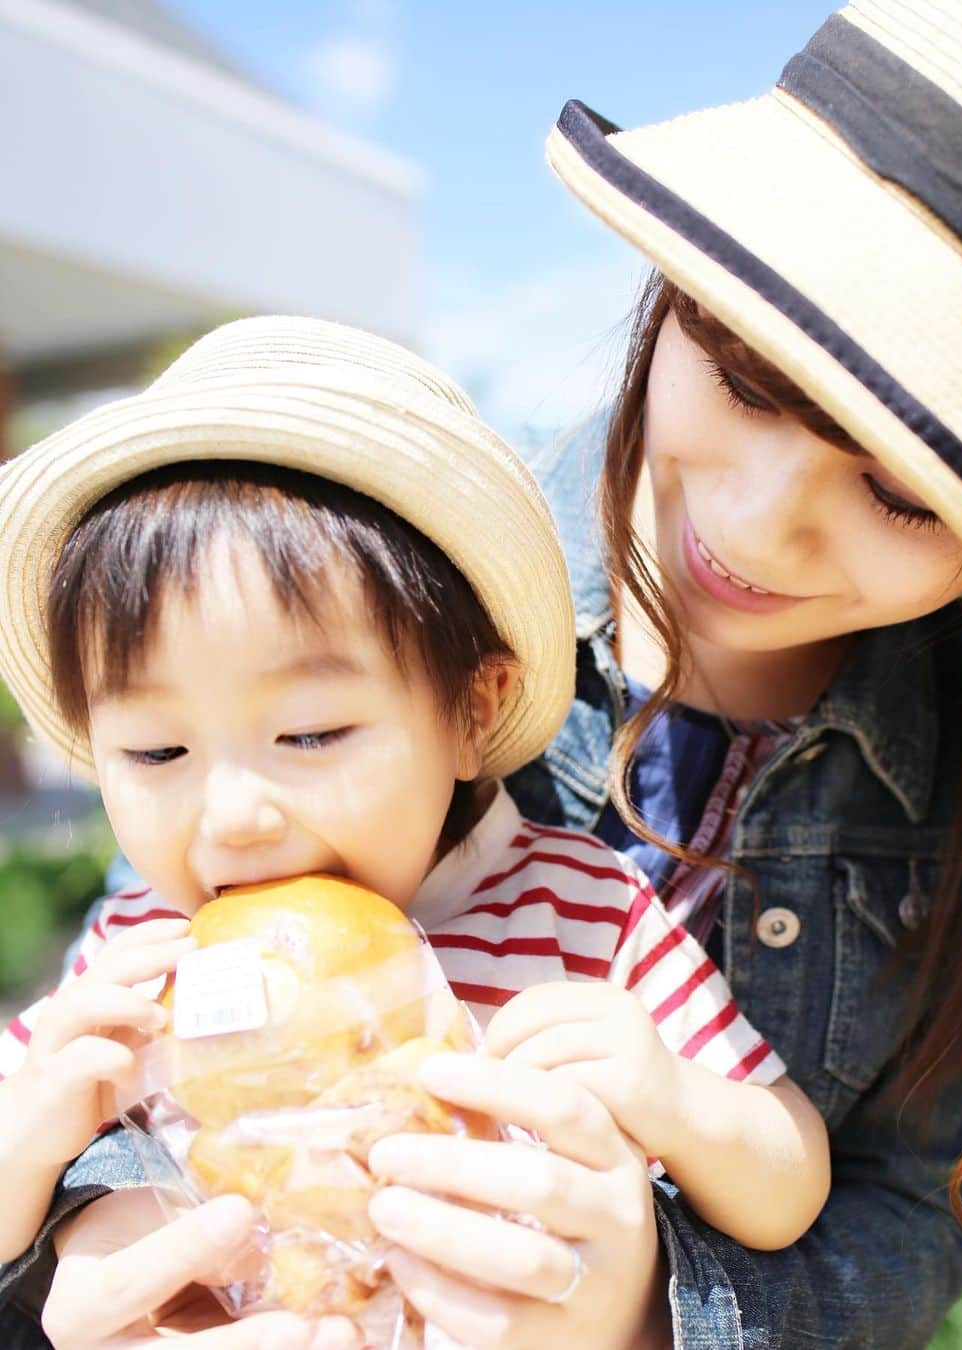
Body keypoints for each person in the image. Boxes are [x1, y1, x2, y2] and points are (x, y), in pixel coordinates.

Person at [1, 0, 962, 1346]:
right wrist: (79, 1260)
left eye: (906, 495)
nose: (752, 524)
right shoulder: (344, 598)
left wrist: (642, 1307)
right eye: (746, 376)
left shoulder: (950, 773)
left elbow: (890, 1212)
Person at [0, 318, 828, 1345]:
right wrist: (28, 1138)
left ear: (473, 714)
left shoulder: (580, 913)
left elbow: (789, 1180)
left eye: (309, 733)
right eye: (156, 753)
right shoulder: (139, 957)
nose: (233, 815)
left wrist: (671, 1100)